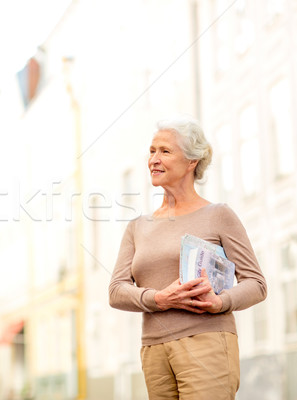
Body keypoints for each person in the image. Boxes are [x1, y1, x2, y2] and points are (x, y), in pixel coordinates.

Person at [108, 116, 267, 400]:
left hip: (207, 342)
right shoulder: (137, 227)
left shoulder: (218, 215)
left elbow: (256, 283)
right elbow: (116, 291)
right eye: (152, 151)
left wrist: (221, 302)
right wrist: (158, 299)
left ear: (192, 161)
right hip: (154, 350)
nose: (153, 159)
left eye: (165, 151)